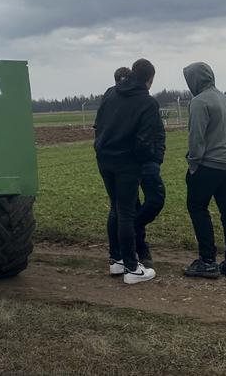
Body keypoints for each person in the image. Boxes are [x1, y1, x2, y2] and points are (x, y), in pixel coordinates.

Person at [94, 59, 164, 284]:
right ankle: (132, 269)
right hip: (127, 162)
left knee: (115, 208)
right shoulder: (147, 103)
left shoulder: (111, 93)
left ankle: (117, 261)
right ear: (150, 79)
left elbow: (99, 125)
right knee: (126, 212)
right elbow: (145, 141)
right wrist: (145, 160)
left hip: (104, 158)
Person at [182, 62, 226, 278]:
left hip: (209, 164)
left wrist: (193, 163)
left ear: (194, 80)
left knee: (197, 207)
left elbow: (196, 137)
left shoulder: (199, 102)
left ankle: (207, 260)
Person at [107, 67, 166, 268]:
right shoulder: (116, 98)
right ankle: (133, 253)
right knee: (125, 208)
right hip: (128, 162)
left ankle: (126, 244)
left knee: (152, 202)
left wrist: (156, 157)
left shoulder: (145, 102)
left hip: (145, 160)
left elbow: (157, 131)